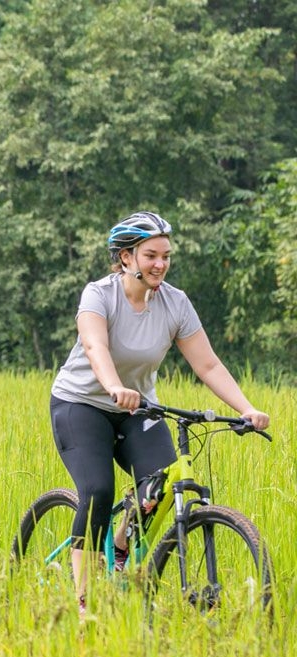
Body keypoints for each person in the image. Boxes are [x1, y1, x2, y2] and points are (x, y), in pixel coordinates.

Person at [49, 211, 270, 617]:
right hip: (81, 403)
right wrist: (115, 386)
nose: (160, 264)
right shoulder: (99, 295)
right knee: (97, 490)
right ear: (125, 257)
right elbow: (95, 347)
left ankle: (118, 550)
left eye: (166, 256)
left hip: (138, 408)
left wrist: (246, 408)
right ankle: (83, 601)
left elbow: (208, 366)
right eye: (151, 255)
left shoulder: (175, 302)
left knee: (162, 484)